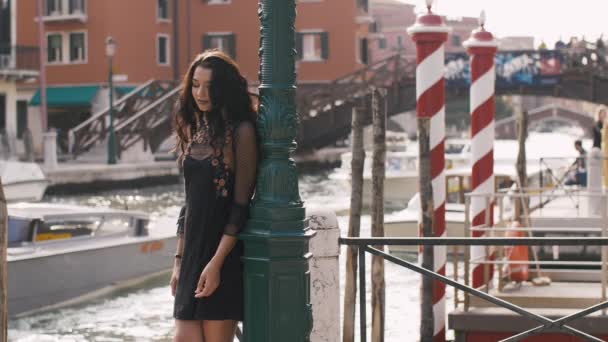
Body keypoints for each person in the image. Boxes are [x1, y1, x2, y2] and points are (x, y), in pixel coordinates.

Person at [170, 50, 258, 342]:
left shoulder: (242, 132)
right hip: (193, 254)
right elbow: (189, 204)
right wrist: (179, 262)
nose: (200, 93)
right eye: (195, 84)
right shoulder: (194, 128)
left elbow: (240, 206)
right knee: (183, 337)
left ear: (225, 89)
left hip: (223, 256)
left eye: (209, 86)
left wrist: (216, 263)